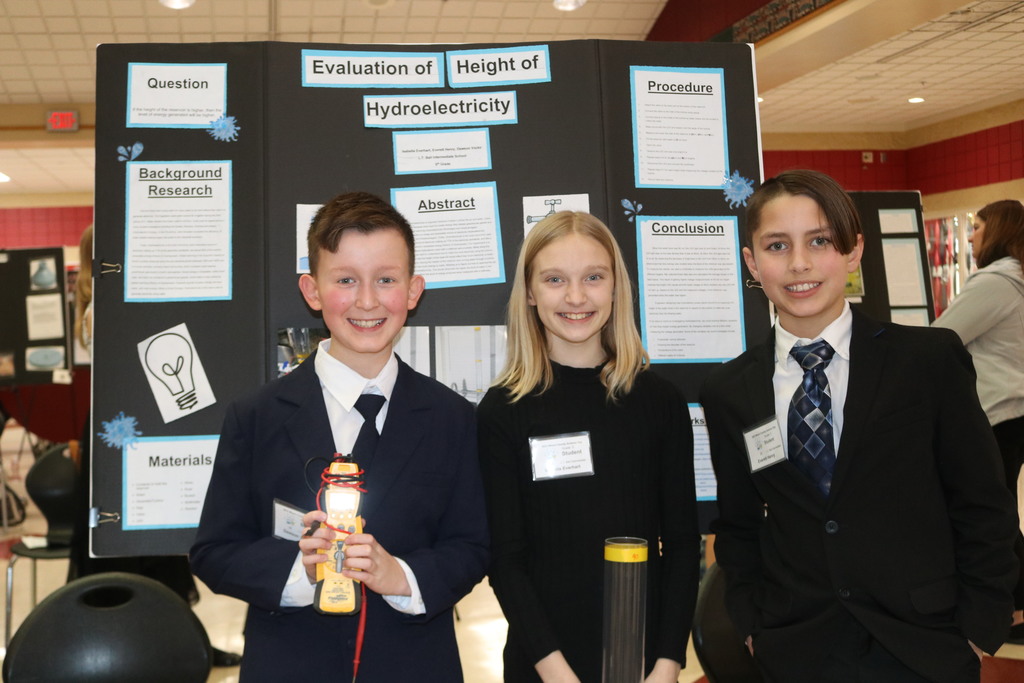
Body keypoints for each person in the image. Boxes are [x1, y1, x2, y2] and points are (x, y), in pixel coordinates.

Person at [700, 169, 1019, 683]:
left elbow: (983, 504)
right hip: (797, 648)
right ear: (751, 262)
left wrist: (980, 626)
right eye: (777, 245)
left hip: (924, 643)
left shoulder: (927, 363)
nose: (799, 263)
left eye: (820, 241)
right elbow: (738, 526)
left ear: (853, 251)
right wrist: (754, 623)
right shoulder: (730, 392)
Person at [189, 191, 489, 681]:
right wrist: (298, 572)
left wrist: (402, 578)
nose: (367, 300)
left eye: (386, 280)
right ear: (311, 290)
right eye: (345, 280)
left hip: (415, 665)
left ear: (413, 291)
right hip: (289, 664)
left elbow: (472, 547)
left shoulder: (452, 418)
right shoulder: (256, 417)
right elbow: (214, 552)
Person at [476, 211, 700, 682]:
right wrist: (558, 675)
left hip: (643, 665)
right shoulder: (502, 410)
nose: (576, 297)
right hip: (542, 666)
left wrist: (667, 665)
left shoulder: (659, 401)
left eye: (593, 277)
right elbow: (506, 562)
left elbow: (681, 546)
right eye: (555, 279)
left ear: (615, 287)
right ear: (531, 293)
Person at [67, 224, 242, 667]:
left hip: (135, 424)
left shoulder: (99, 305)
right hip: (121, 432)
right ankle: (137, 647)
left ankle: (172, 642)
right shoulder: (105, 306)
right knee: (133, 539)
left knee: (155, 539)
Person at [934, 199, 1024, 643]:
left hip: (996, 411)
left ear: (998, 232)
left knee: (991, 515)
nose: (970, 237)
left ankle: (1012, 608)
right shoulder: (1019, 278)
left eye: (978, 228)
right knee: (1001, 509)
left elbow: (941, 337)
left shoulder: (996, 280)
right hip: (1014, 411)